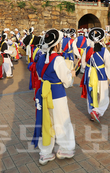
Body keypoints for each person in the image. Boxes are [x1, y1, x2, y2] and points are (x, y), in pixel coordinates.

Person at [32, 29, 75, 166]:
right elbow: (67, 82)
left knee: (46, 122)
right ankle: (65, 149)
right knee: (62, 122)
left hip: (44, 94)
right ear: (57, 44)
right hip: (57, 95)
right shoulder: (58, 59)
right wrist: (71, 74)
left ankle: (45, 153)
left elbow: (40, 76)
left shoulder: (40, 57)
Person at [80, 28, 110, 123]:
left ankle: (91, 112)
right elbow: (107, 64)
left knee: (91, 94)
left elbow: (83, 64)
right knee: (103, 96)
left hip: (89, 74)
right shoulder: (104, 50)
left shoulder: (87, 50)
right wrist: (109, 75)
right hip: (101, 74)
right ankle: (97, 111)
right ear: (102, 38)